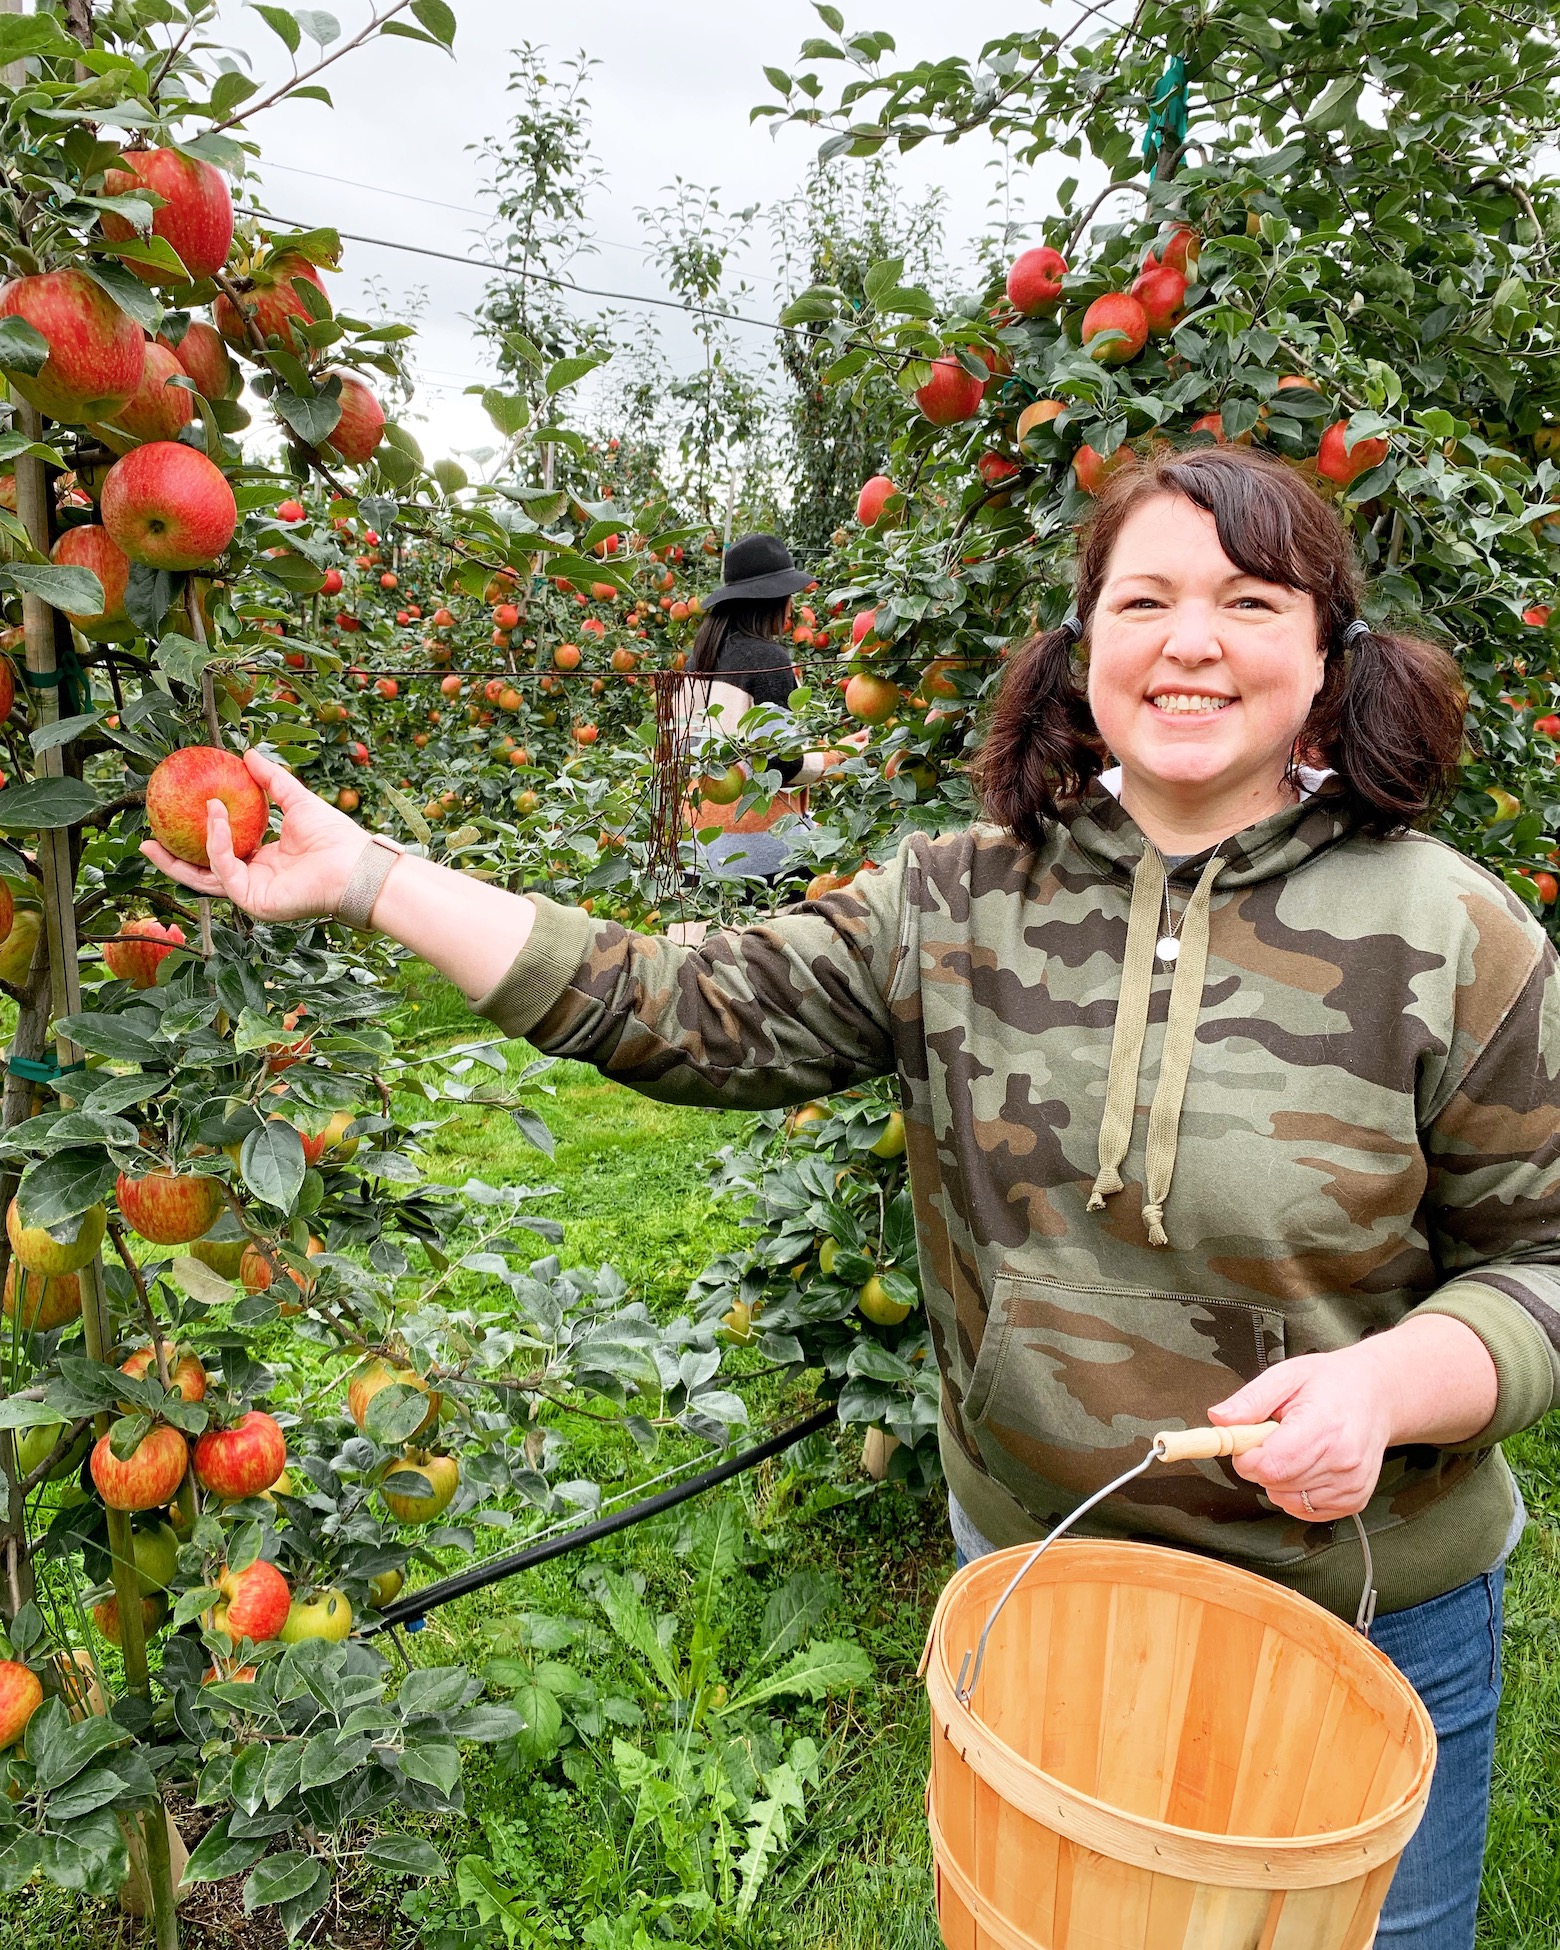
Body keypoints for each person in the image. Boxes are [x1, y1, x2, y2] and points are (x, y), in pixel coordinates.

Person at [145, 448, 1560, 1950]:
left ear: (1328, 649)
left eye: (1249, 600)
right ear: (1081, 649)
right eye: (1143, 598)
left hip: (1356, 1623)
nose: (1192, 639)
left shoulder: (1447, 928)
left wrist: (1389, 1385)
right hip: (1037, 1585)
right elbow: (673, 1004)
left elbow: (1541, 1255)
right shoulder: (952, 902)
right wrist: (373, 877)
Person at [677, 530, 832, 884]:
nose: (792, 607)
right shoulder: (767, 659)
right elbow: (781, 764)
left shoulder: (696, 661)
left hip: (700, 854)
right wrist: (834, 760)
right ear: (774, 600)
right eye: (789, 597)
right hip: (763, 864)